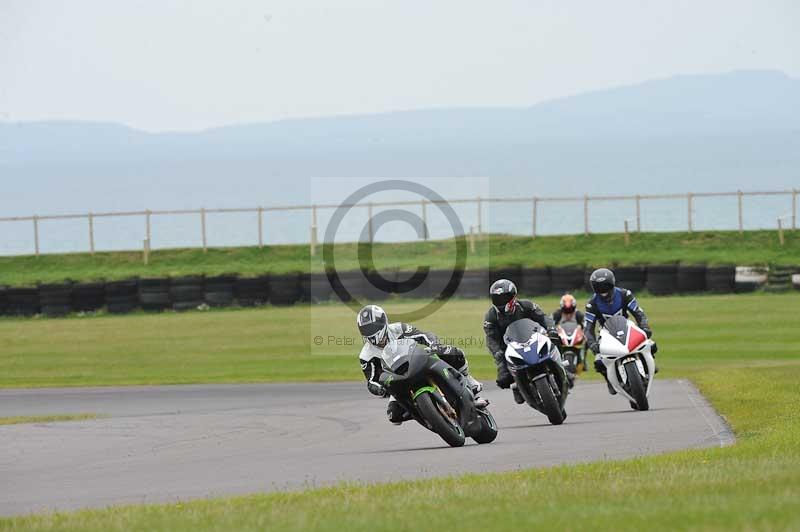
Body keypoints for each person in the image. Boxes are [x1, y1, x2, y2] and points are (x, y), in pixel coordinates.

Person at [357, 304, 483, 425]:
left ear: (382, 322)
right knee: (394, 415)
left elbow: (423, 335)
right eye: (365, 329)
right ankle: (426, 415)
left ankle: (470, 383)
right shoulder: (366, 355)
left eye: (372, 327)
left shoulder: (398, 328)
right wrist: (379, 389)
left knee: (452, 353)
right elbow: (371, 380)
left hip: (416, 362)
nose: (370, 332)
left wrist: (434, 345)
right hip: (398, 379)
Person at [483, 279, 560, 402]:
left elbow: (543, 318)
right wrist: (496, 351)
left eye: (504, 298)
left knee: (554, 341)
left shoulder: (526, 305)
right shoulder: (491, 316)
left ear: (513, 296)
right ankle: (517, 385)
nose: (500, 302)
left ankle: (562, 368)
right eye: (497, 299)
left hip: (532, 339)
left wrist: (551, 329)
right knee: (503, 379)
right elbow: (490, 337)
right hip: (508, 348)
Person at [584, 268, 658, 395]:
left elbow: (638, 313)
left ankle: (649, 364)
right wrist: (592, 343)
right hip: (605, 332)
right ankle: (609, 379)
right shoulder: (592, 304)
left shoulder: (625, 294)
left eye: (606, 287)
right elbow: (588, 328)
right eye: (599, 288)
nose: (603, 291)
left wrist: (644, 326)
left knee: (651, 345)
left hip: (627, 326)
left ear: (612, 284)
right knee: (598, 361)